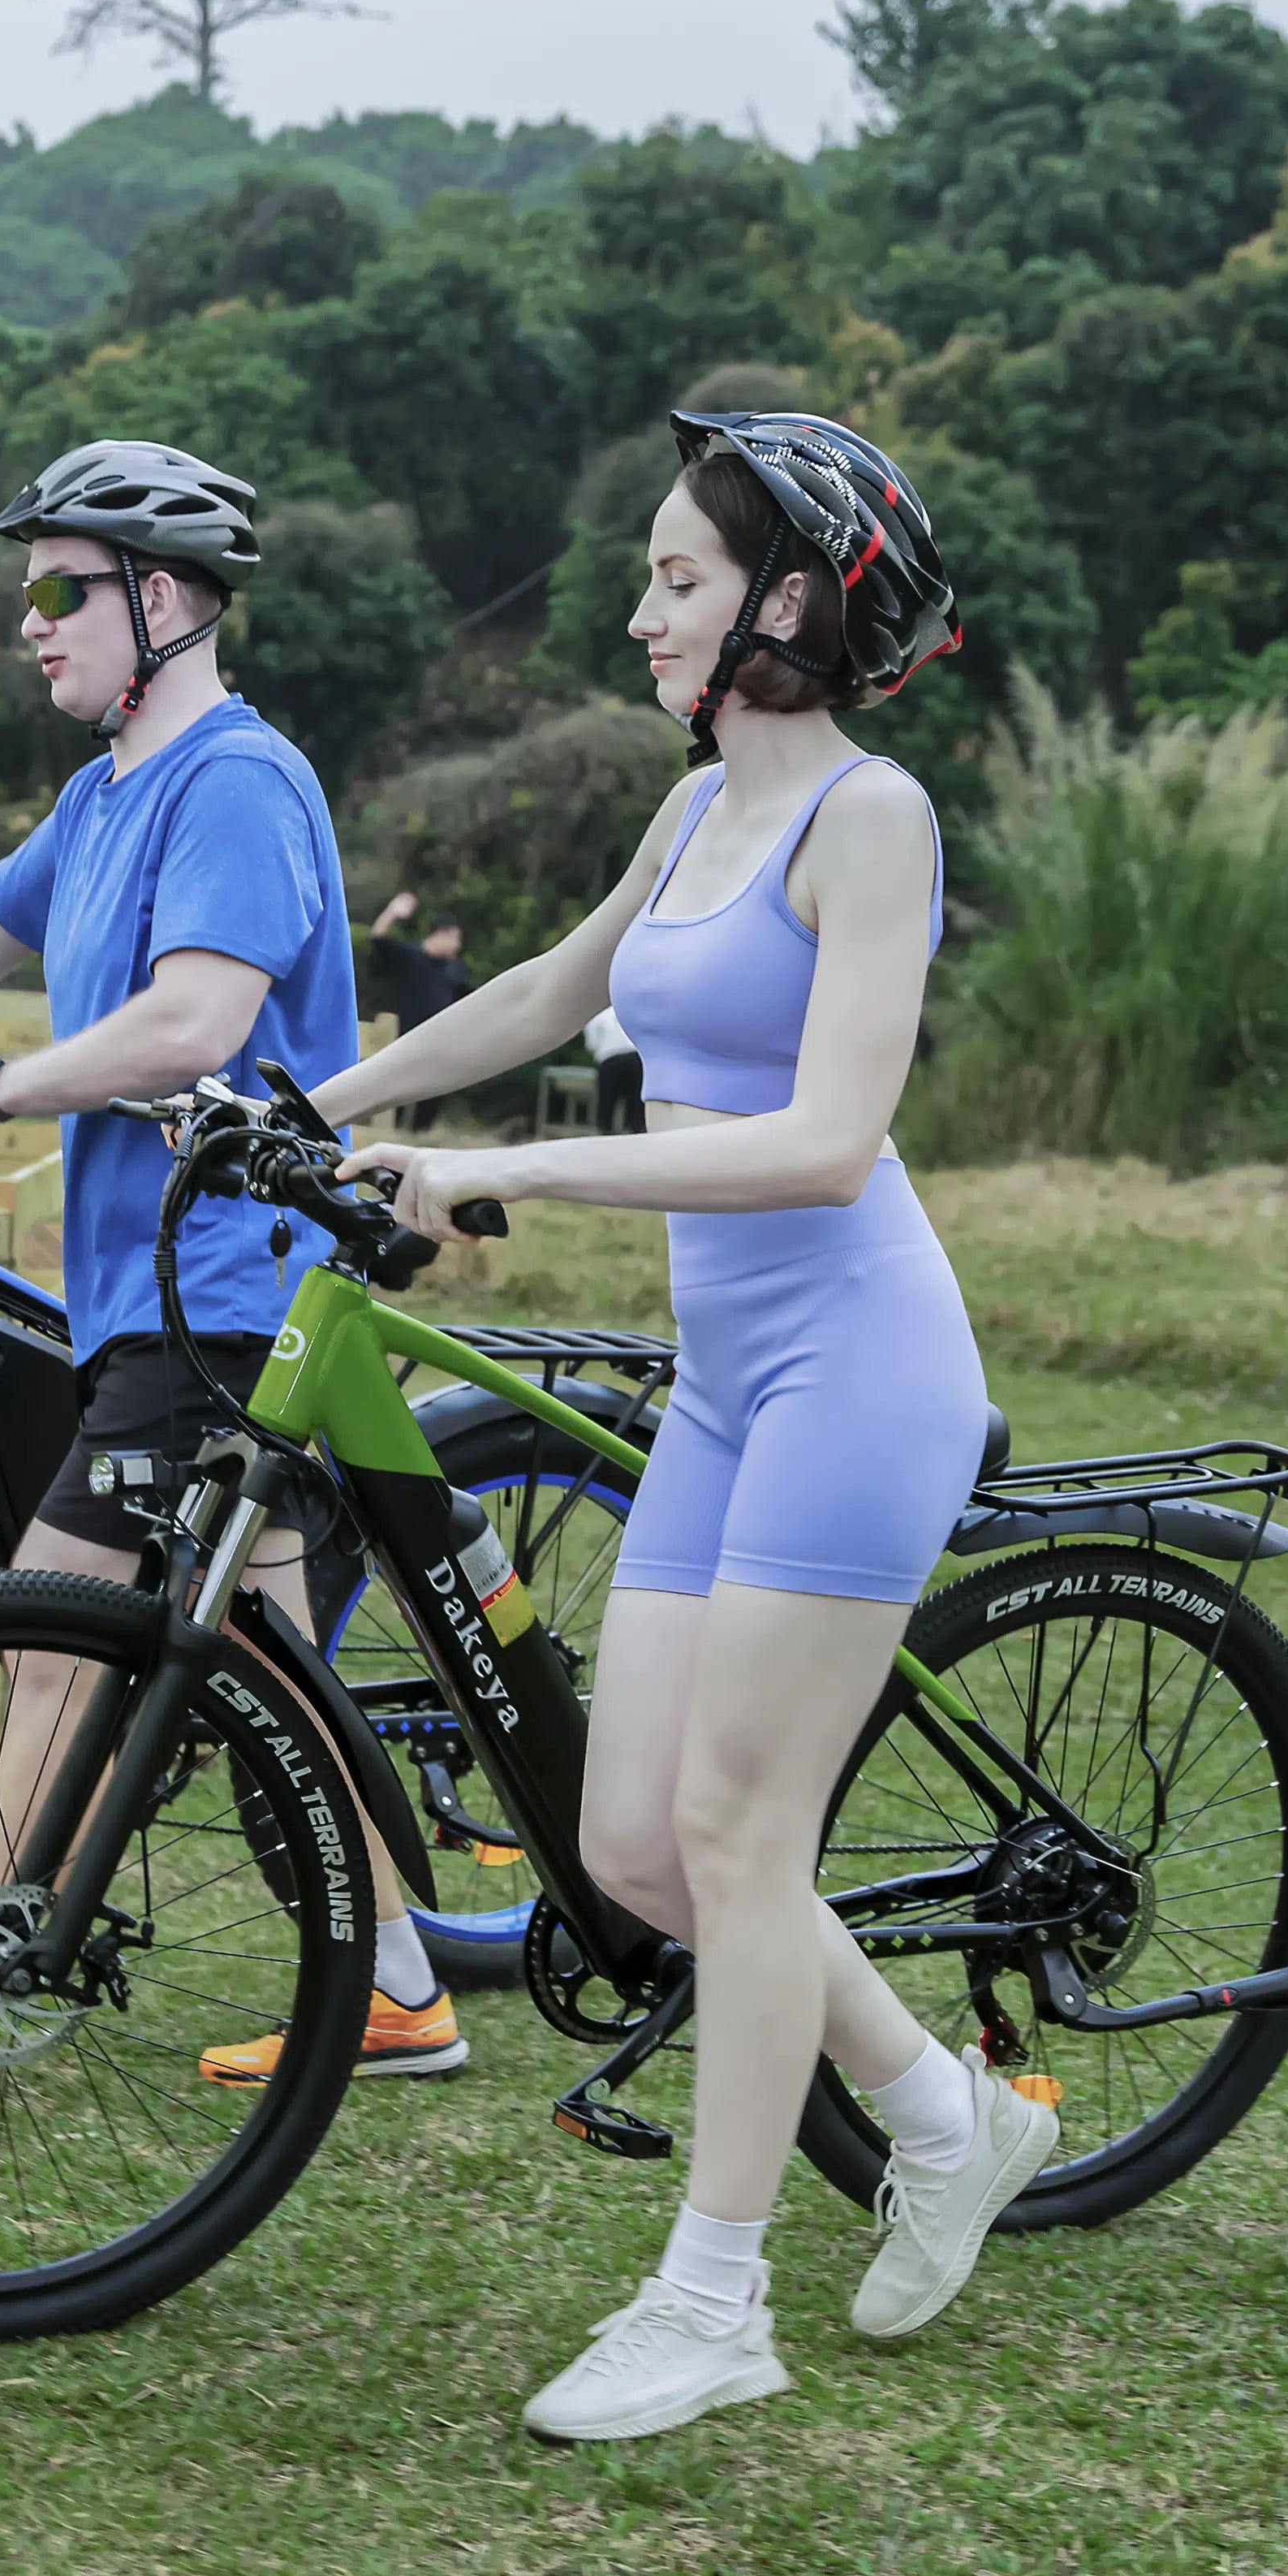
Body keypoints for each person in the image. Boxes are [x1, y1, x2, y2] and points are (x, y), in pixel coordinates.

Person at [309, 411, 1057, 2444]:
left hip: (857, 1372)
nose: (638, 609)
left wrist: (522, 1182)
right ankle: (940, 2110)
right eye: (646, 576)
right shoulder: (694, 809)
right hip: (730, 1386)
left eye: (676, 578)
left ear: (790, 603)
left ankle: (714, 2295)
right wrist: (334, 1102)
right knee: (629, 1841)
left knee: (735, 1831)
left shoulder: (867, 820)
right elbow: (552, 991)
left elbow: (826, 1144)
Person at [0, 438, 470, 2112]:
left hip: (226, 1287)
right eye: (27, 595)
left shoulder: (236, 782)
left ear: (168, 600)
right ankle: (407, 1987)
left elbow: (197, 1022)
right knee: (274, 1653)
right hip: (164, 1291)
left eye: (61, 591)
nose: (32, 625)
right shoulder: (108, 792)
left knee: (55, 1642)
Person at [367, 891, 472, 1129]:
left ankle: (421, 1132)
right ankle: (392, 1127)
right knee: (400, 1087)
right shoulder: (410, 956)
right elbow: (378, 939)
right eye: (456, 938)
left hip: (441, 1040)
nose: (458, 946)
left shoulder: (455, 968)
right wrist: (392, 913)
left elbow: (469, 995)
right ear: (442, 934)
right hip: (406, 1036)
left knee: (435, 1089)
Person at [583, 1003, 644, 1134]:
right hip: (635, 1056)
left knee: (607, 1101)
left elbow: (592, 1045)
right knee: (635, 1103)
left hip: (609, 1057)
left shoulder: (597, 1014)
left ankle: (604, 1132)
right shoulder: (633, 1010)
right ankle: (635, 1132)